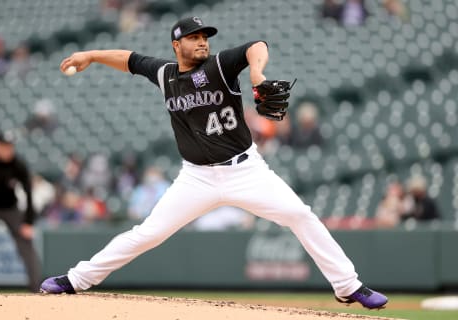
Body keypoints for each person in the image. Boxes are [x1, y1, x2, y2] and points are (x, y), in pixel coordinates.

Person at [40, 16, 387, 309]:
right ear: (177, 45)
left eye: (204, 36)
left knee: (300, 215)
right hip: (196, 179)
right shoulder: (164, 74)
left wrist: (256, 73)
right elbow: (129, 58)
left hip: (246, 171)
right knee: (148, 233)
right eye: (194, 37)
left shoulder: (219, 66)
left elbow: (256, 45)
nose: (202, 42)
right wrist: (90, 54)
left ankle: (347, 285)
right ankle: (76, 279)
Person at [0, 131, 41, 292]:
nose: (7, 150)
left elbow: (28, 193)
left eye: (9, 147)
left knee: (26, 243)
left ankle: (37, 288)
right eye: (3, 146)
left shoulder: (18, 165)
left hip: (10, 208)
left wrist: (28, 222)